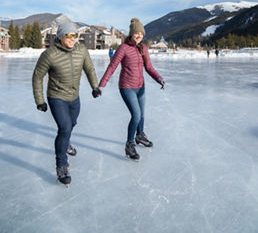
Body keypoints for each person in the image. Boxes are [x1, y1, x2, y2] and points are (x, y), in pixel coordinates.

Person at [32, 22, 101, 185]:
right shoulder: (49, 54)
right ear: (60, 36)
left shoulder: (81, 51)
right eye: (68, 35)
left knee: (72, 123)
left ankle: (66, 142)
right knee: (65, 128)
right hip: (57, 97)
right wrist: (39, 100)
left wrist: (95, 86)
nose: (72, 38)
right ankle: (61, 165)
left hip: (74, 96)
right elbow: (37, 77)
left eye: (75, 35)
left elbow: (89, 69)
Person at [99, 18, 165, 161]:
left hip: (141, 87)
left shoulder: (143, 48)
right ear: (131, 33)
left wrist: (159, 78)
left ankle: (140, 135)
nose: (139, 35)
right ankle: (129, 145)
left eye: (141, 33)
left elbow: (148, 68)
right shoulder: (123, 48)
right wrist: (102, 85)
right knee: (136, 115)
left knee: (141, 115)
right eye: (137, 32)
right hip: (127, 87)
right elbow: (112, 67)